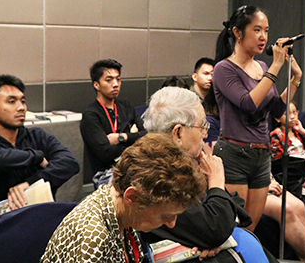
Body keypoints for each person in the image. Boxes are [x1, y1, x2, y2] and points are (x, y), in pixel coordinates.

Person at [143, 87, 272, 262]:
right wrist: (217, 180)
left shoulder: (188, 164)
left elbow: (236, 208)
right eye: (202, 125)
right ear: (178, 133)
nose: (206, 133)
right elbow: (215, 228)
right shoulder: (155, 177)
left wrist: (217, 231)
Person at [41, 133, 207, 262]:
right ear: (133, 196)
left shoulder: (121, 211)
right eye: (166, 216)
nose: (172, 224)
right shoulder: (92, 238)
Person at [213, 5, 302, 232]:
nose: (263, 37)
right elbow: (247, 103)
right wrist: (276, 66)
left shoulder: (262, 66)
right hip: (234, 154)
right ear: (237, 33)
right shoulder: (224, 69)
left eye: (266, 31)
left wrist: (295, 80)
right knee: (235, 229)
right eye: (256, 30)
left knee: (251, 229)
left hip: (261, 155)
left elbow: (276, 109)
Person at [0, 74, 79, 208]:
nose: (21, 107)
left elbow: (69, 163)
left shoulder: (37, 136)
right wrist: (36, 157)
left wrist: (31, 183)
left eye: (22, 101)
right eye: (11, 101)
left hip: (39, 216)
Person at [80, 59, 146, 187]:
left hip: (134, 167)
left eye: (118, 79)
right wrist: (133, 138)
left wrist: (122, 137)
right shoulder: (91, 115)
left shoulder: (126, 106)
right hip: (107, 174)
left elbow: (147, 135)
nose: (115, 84)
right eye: (109, 80)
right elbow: (105, 154)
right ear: (96, 85)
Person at [270, 102, 305, 190]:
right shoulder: (277, 135)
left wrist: (302, 131)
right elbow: (278, 162)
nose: (292, 116)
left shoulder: (297, 132)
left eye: (294, 112)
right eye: (287, 114)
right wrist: (300, 162)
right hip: (295, 173)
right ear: (277, 118)